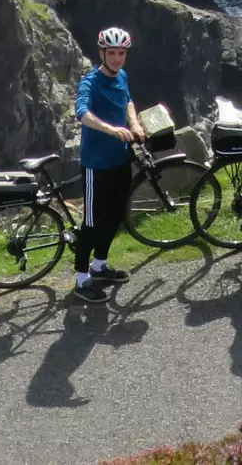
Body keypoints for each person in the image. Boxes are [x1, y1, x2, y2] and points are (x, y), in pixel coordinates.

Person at [70, 26, 145, 304]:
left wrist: (134, 122)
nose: (117, 59)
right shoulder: (91, 82)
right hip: (96, 166)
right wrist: (112, 130)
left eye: (121, 53)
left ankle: (99, 266)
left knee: (114, 216)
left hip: (120, 161)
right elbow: (82, 113)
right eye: (112, 53)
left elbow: (127, 101)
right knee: (91, 223)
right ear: (102, 53)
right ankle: (80, 279)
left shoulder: (122, 76)